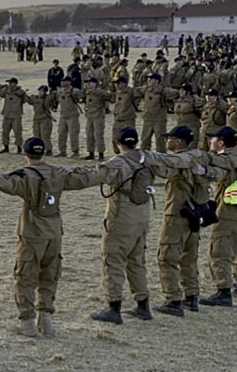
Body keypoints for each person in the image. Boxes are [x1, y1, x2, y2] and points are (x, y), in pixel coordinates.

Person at [0, 138, 100, 336]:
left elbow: (3, 182)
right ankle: (46, 318)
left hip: (32, 233)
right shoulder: (58, 173)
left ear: (25, 154)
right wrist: (75, 169)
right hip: (54, 233)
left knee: (25, 276)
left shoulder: (26, 176)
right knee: (50, 275)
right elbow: (87, 178)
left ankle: (27, 322)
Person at [90, 127, 195, 324]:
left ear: (117, 143)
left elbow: (92, 178)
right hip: (142, 218)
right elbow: (171, 167)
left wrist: (97, 167)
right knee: (136, 261)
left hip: (120, 220)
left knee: (113, 262)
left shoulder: (117, 163)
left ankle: (114, 307)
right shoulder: (147, 159)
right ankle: (142, 304)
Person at [153, 126, 219, 316]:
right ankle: (191, 296)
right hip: (194, 215)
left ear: (178, 142)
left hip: (176, 216)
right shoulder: (199, 158)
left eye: (170, 138)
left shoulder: (179, 161)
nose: (167, 141)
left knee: (167, 257)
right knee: (189, 257)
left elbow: (162, 168)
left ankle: (173, 299)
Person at [200, 126, 237, 306]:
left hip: (228, 212)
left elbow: (217, 174)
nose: (210, 141)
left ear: (221, 142)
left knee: (219, 251)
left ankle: (223, 291)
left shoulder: (225, 160)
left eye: (213, 139)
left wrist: (203, 170)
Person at [81, 77, 115, 160]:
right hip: (90, 116)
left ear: (95, 84)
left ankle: (101, 153)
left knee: (98, 135)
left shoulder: (100, 92)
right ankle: (91, 152)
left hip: (98, 116)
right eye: (88, 83)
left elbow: (111, 98)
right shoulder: (87, 92)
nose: (89, 84)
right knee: (89, 135)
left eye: (91, 82)